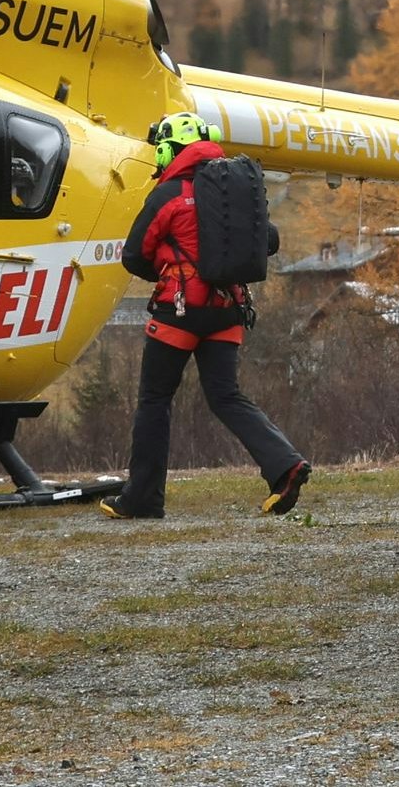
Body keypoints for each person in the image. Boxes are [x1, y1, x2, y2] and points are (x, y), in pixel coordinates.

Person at [115, 110, 310, 519]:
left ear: (170, 149)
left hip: (178, 313)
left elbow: (134, 254)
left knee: (155, 400)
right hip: (228, 310)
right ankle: (285, 466)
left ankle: (143, 499)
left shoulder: (168, 194)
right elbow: (268, 241)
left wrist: (170, 273)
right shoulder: (234, 189)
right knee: (226, 396)